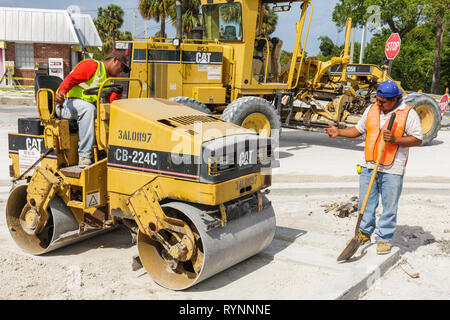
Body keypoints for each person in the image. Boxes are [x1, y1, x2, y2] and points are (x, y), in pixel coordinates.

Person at [325, 80, 423, 255]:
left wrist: (395, 139)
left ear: (394, 100)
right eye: (377, 100)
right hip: (369, 165)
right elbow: (358, 129)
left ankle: (384, 238)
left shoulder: (408, 113)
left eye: (382, 101)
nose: (378, 103)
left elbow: (417, 139)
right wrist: (339, 132)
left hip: (393, 169)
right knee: (366, 203)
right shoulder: (372, 109)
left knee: (389, 206)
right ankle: (363, 234)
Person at [55, 51, 130, 168]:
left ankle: (106, 150)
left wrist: (117, 94)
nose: (121, 72)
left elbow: (111, 103)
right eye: (122, 67)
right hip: (66, 104)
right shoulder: (92, 66)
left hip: (82, 108)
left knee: (108, 112)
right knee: (89, 109)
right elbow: (70, 79)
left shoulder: (107, 80)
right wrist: (61, 93)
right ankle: (84, 155)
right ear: (115, 60)